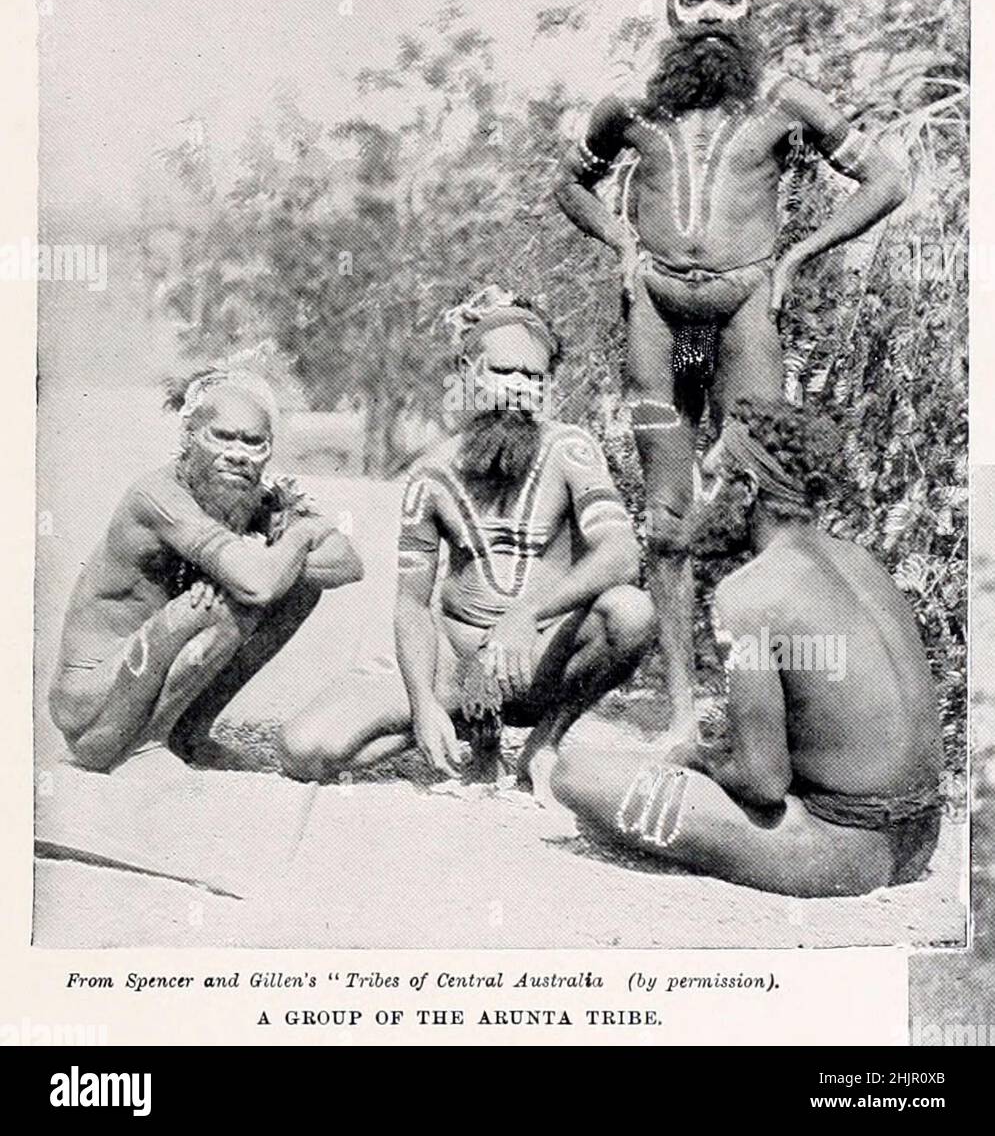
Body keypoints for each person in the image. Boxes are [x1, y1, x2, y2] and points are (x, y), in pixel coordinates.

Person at [553, 0, 909, 716]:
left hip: (743, 308)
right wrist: (618, 241)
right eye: (694, 0)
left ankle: (776, 712)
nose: (711, 13)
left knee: (769, 506)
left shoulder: (784, 100)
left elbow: (886, 178)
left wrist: (798, 257)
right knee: (668, 519)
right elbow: (568, 184)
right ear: (671, 12)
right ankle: (682, 708)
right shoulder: (630, 104)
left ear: (748, 11)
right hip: (657, 311)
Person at [550, 398, 943, 897]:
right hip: (921, 839)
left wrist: (697, 756)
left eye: (712, 482)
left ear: (748, 490)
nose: (700, 500)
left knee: (577, 772)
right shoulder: (861, 561)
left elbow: (763, 781)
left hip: (839, 853)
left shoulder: (751, 592)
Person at [277, 286, 654, 791]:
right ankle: (462, 726)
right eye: (502, 372)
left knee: (631, 611)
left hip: (540, 657)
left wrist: (525, 615)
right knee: (306, 749)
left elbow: (622, 554)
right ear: (469, 370)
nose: (518, 387)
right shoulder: (430, 476)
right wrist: (423, 703)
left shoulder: (571, 449)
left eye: (533, 376)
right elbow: (411, 604)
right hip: (460, 668)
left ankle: (547, 739)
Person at [49, 365, 363, 771]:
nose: (237, 454)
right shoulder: (159, 496)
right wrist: (302, 537)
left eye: (254, 443)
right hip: (91, 700)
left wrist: (279, 558)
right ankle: (144, 745)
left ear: (268, 451)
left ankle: (188, 734)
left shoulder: (242, 493)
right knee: (227, 601)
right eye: (222, 437)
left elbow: (348, 563)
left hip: (146, 665)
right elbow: (258, 585)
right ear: (189, 437)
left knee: (298, 589)